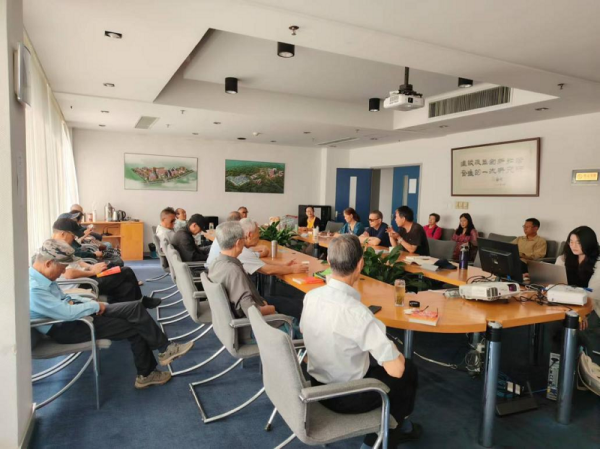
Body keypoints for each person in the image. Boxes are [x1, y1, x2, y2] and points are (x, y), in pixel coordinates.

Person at [300, 235, 421, 447]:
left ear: (328, 261)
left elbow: (305, 332)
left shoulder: (311, 296)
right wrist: (388, 344)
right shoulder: (358, 313)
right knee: (408, 370)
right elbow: (396, 370)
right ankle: (379, 439)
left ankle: (402, 425)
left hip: (316, 388)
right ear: (360, 264)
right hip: (347, 397)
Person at [30, 239, 193, 389]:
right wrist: (93, 305)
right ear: (49, 263)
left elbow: (66, 299)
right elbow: (67, 313)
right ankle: (147, 374)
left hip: (77, 315)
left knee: (134, 308)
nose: (63, 272)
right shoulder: (34, 288)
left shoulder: (42, 279)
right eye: (62, 268)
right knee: (136, 326)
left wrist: (88, 302)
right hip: (69, 328)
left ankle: (165, 349)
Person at [51, 218, 160, 308]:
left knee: (125, 285)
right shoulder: (53, 249)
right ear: (63, 234)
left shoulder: (61, 246)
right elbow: (69, 274)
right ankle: (139, 302)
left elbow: (78, 262)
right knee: (126, 271)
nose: (74, 239)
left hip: (84, 276)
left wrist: (93, 266)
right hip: (81, 282)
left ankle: (132, 307)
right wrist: (92, 271)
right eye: (73, 236)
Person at [207, 218, 308, 278]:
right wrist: (292, 269)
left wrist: (282, 264)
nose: (259, 236)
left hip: (214, 275)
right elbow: (266, 270)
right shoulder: (238, 249)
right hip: (224, 282)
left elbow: (253, 260)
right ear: (249, 235)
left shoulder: (230, 236)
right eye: (258, 233)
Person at [555, 226, 600, 333]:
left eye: (578, 243)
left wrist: (581, 312)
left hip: (591, 306)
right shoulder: (563, 259)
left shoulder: (598, 263)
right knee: (548, 322)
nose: (573, 246)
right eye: (571, 242)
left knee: (575, 323)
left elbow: (593, 294)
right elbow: (556, 283)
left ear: (588, 243)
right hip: (565, 303)